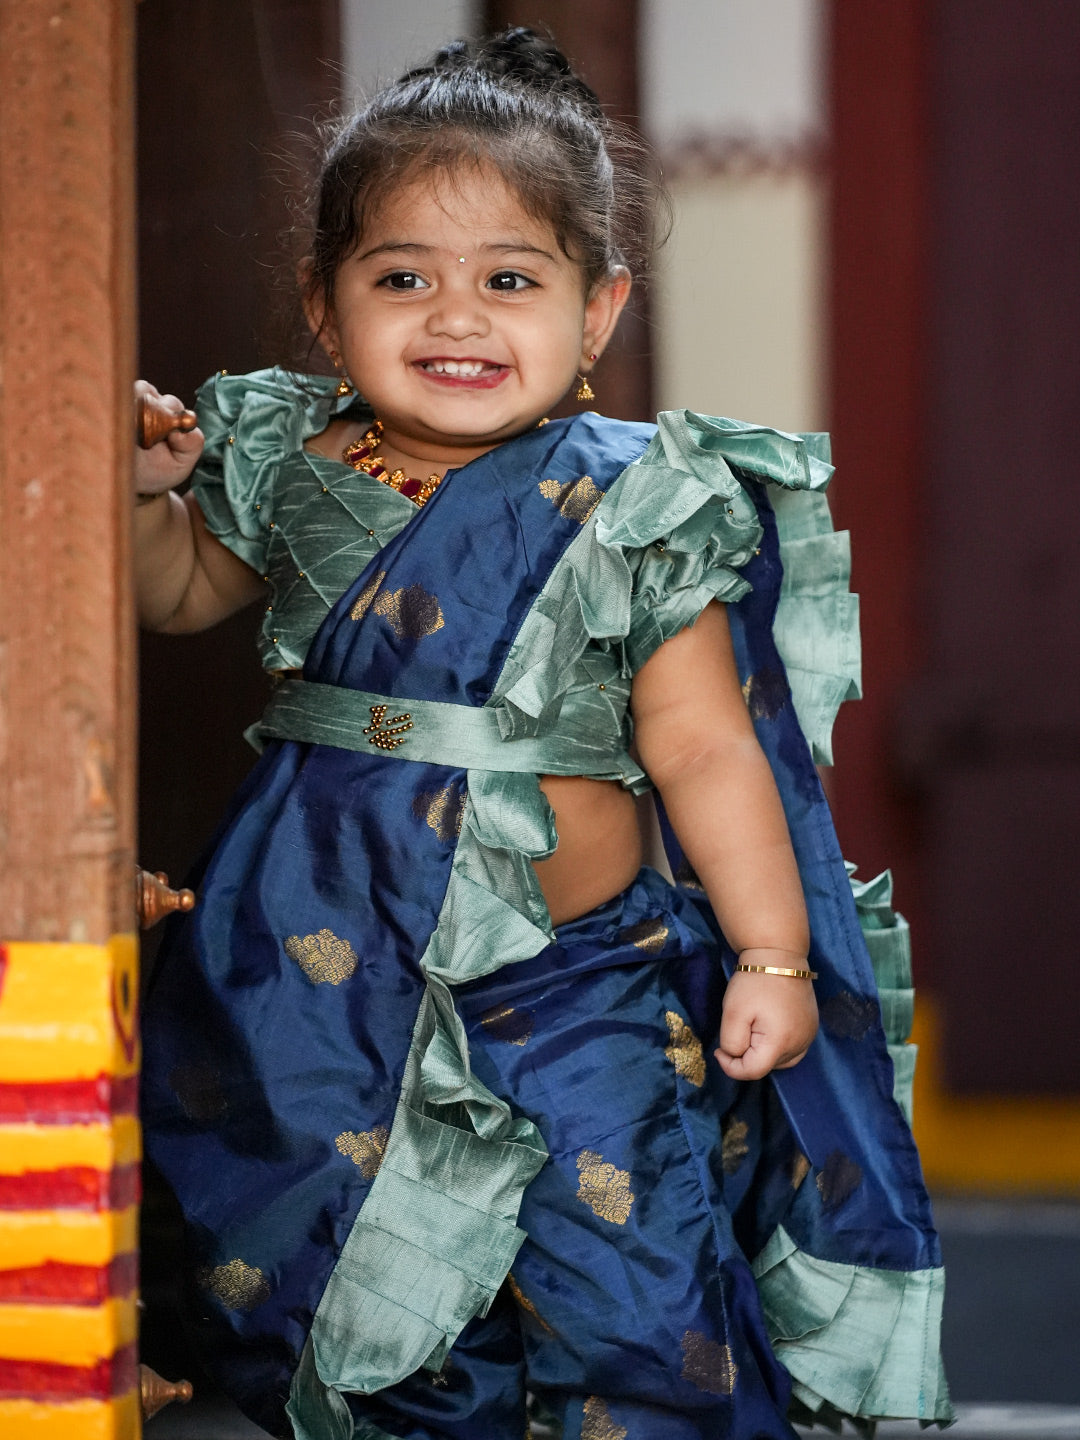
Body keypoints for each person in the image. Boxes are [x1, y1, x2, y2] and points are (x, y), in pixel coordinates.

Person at [136, 29, 949, 1440]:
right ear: (325, 311)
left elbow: (702, 750)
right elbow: (176, 595)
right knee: (344, 1272)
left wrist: (771, 954)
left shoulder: (627, 505)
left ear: (597, 311)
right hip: (321, 979)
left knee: (630, 1272)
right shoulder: (290, 460)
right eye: (404, 279)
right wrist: (145, 501)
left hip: (572, 983)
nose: (458, 318)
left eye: (510, 280)